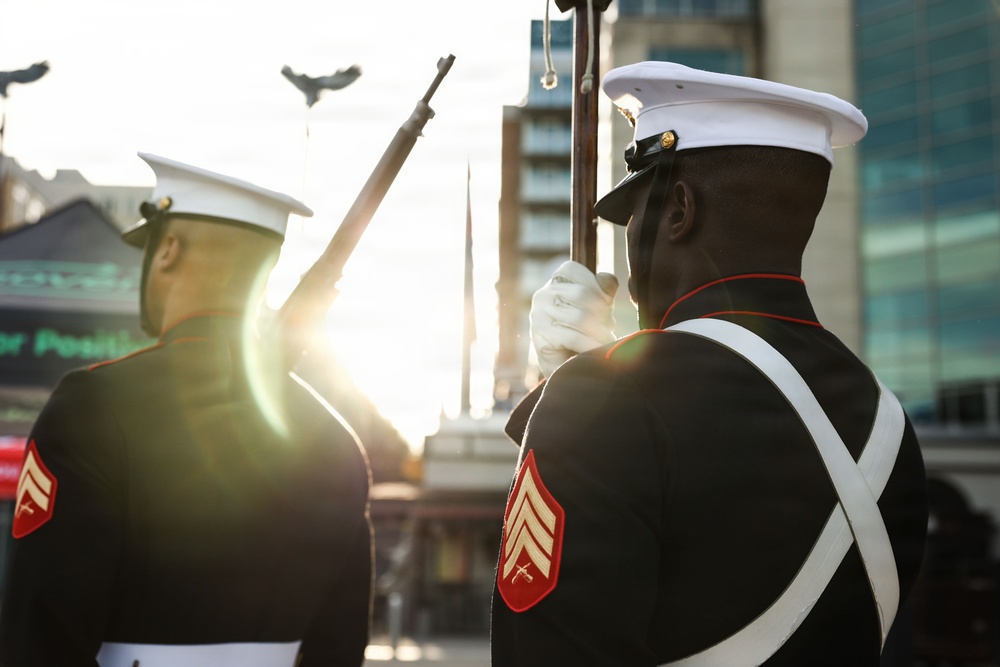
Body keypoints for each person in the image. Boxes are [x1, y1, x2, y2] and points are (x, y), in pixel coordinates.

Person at [491, 62, 928, 666]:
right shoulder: (889, 420)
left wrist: (580, 392)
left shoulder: (607, 398)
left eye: (635, 212)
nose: (629, 235)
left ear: (677, 210)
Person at [0, 153, 373, 666]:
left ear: (168, 248)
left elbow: (39, 637)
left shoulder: (92, 406)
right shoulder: (337, 441)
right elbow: (341, 644)